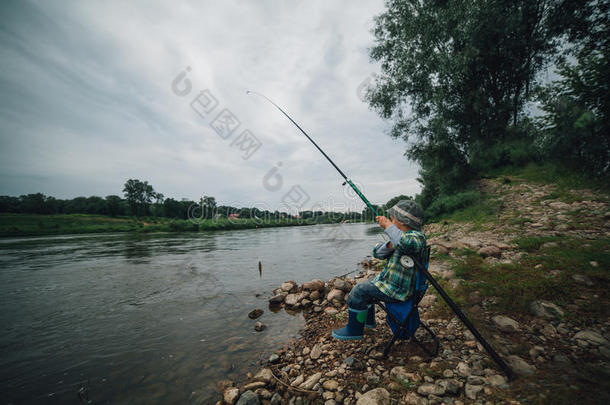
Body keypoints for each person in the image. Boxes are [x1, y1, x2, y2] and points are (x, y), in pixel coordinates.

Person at [332, 200, 426, 340]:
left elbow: (407, 244)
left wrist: (387, 225)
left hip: (397, 290)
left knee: (359, 290)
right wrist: (389, 245)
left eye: (392, 218)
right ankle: (369, 322)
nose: (391, 221)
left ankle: (354, 330)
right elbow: (377, 253)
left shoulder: (416, 237)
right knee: (369, 283)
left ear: (402, 221)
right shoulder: (399, 239)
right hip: (393, 285)